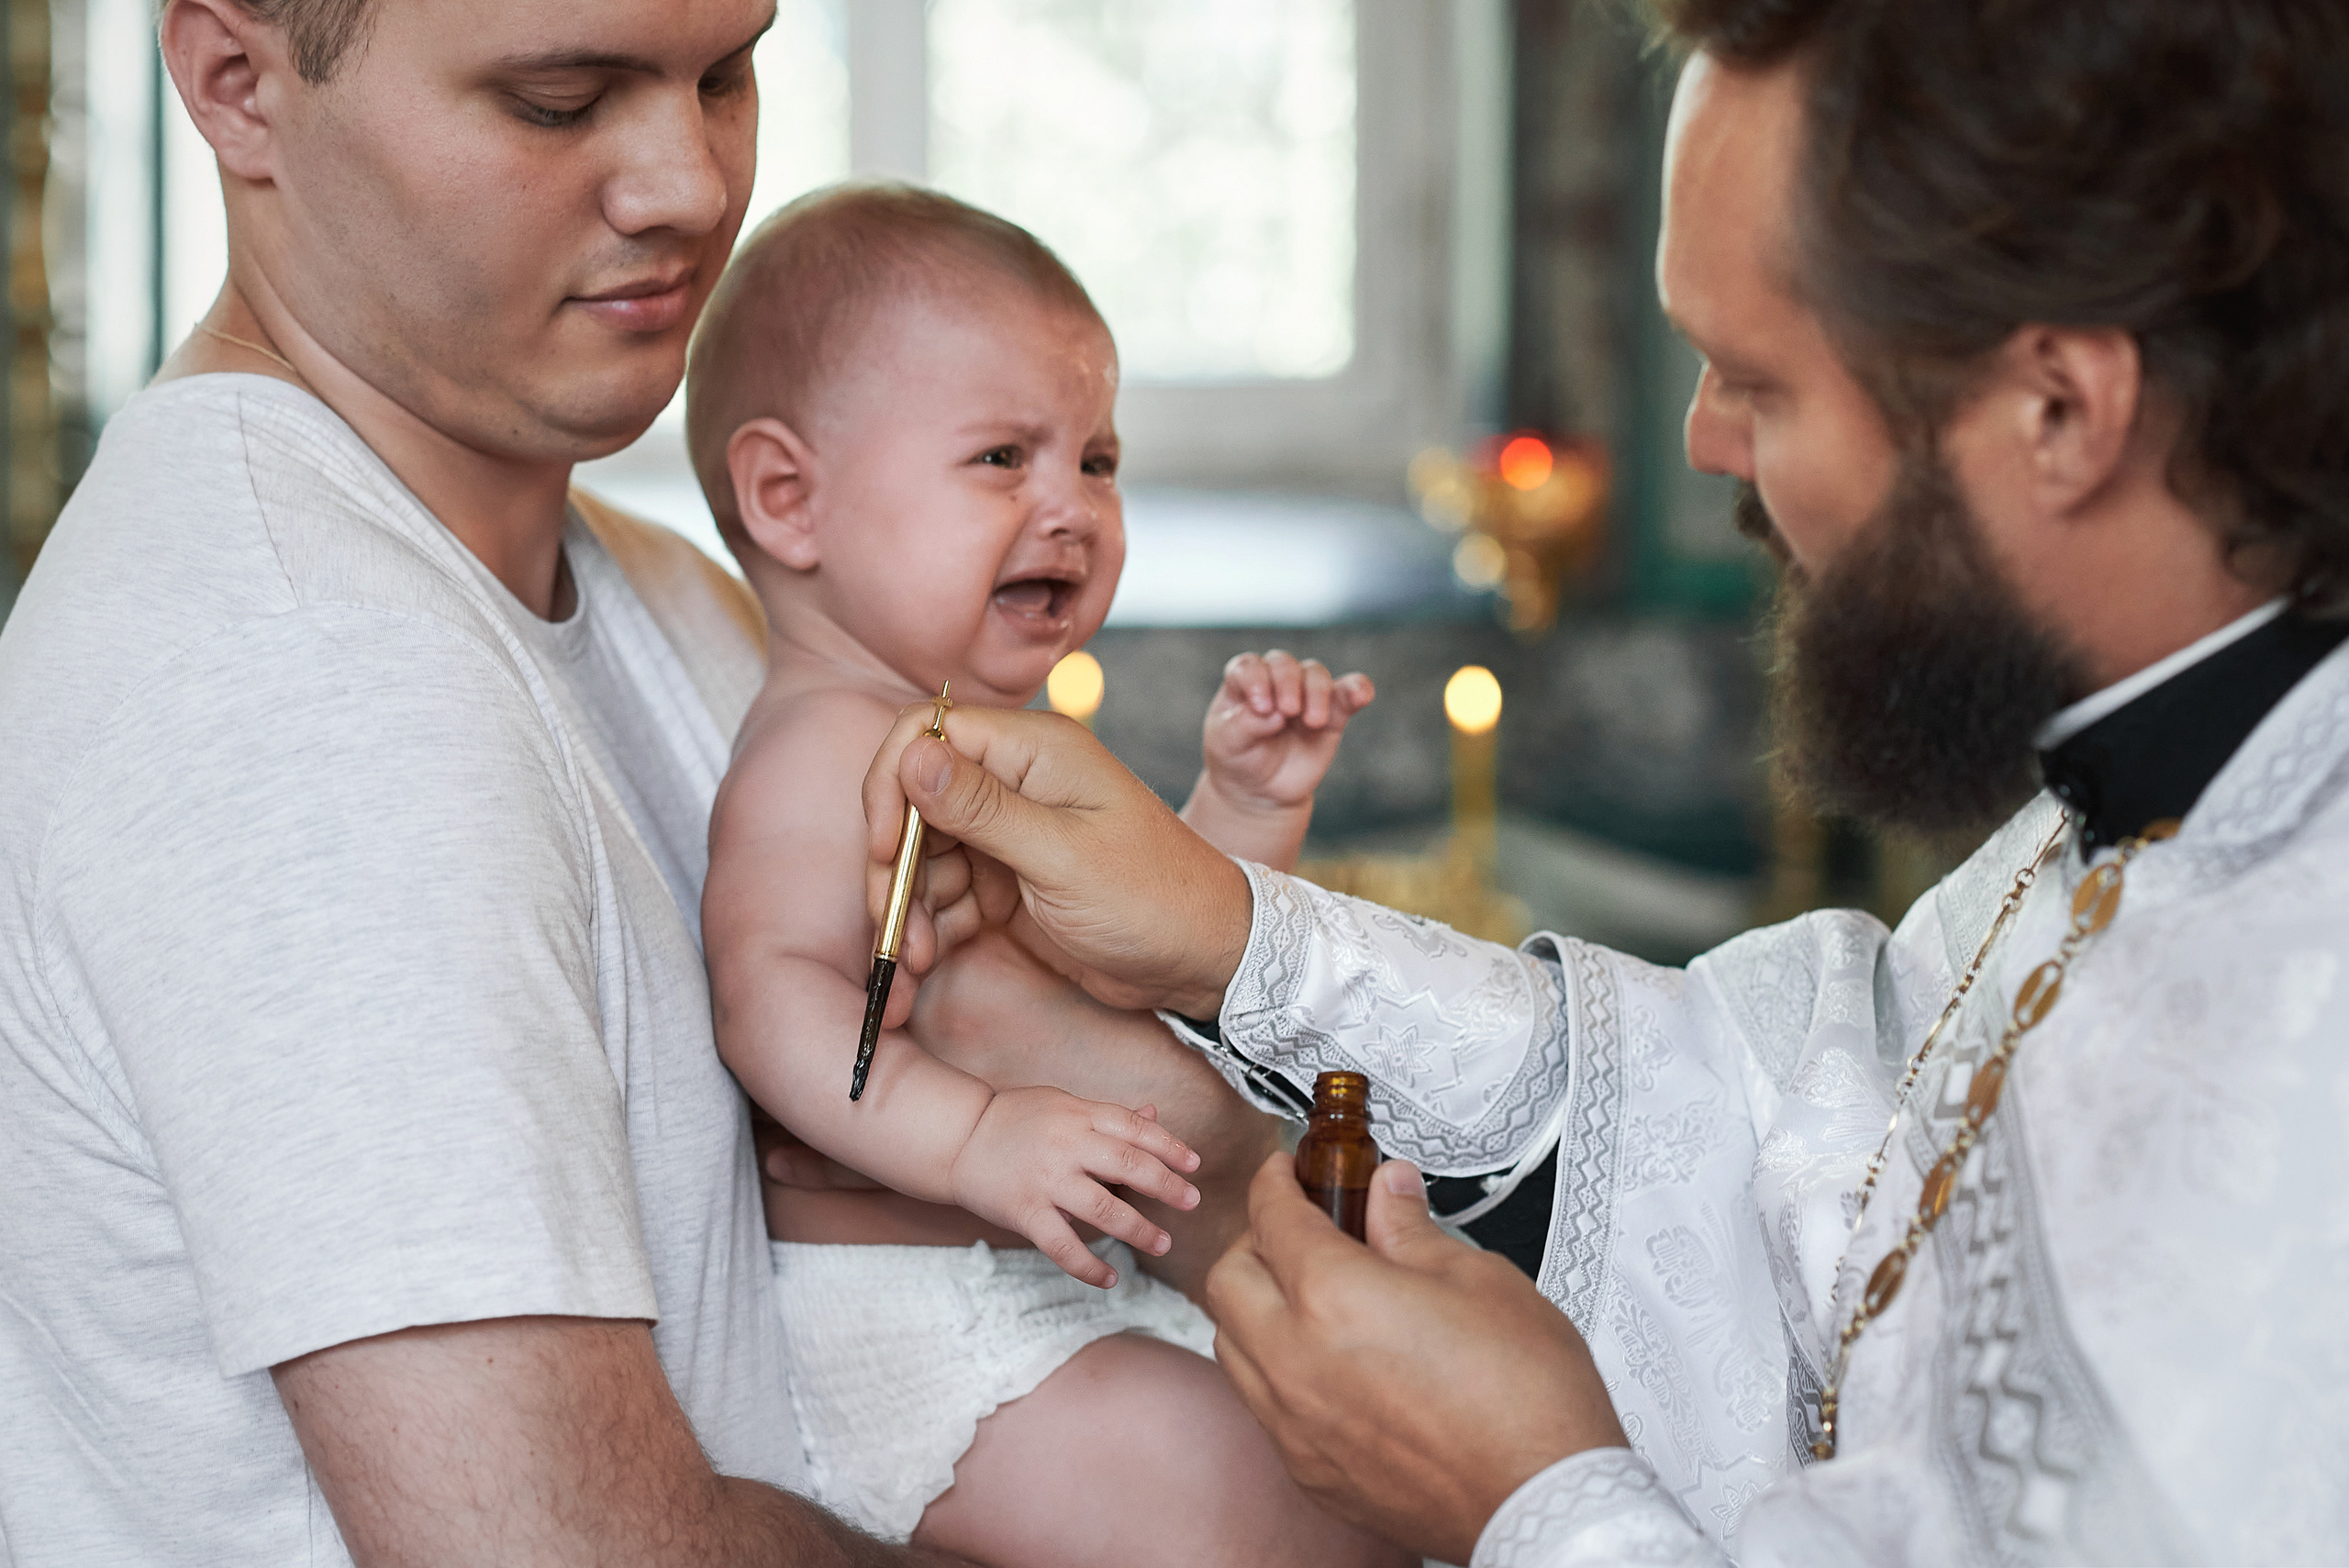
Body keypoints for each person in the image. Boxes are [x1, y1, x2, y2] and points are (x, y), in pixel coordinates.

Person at [843, 1, 2349, 1562]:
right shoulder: (2149, 787)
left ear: (2063, 409)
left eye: (1755, 381)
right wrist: (1234, 934)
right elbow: (1810, 1122)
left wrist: (1531, 1496)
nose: (1699, 441)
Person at [0, 0, 954, 1561]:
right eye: (561, 102)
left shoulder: (660, 593)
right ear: (238, 88)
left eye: (724, 74)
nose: (694, 186)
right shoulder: (300, 681)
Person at [687, 183, 1397, 1564]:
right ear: (790, 497)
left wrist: (1242, 805)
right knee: (1279, 1515)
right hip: (921, 1319)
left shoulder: (992, 732)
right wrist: (969, 1137)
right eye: (1004, 457)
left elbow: (1145, 962)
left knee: (1357, 1481)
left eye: (1100, 460)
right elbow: (769, 997)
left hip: (1067, 1284)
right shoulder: (819, 744)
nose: (1072, 509)